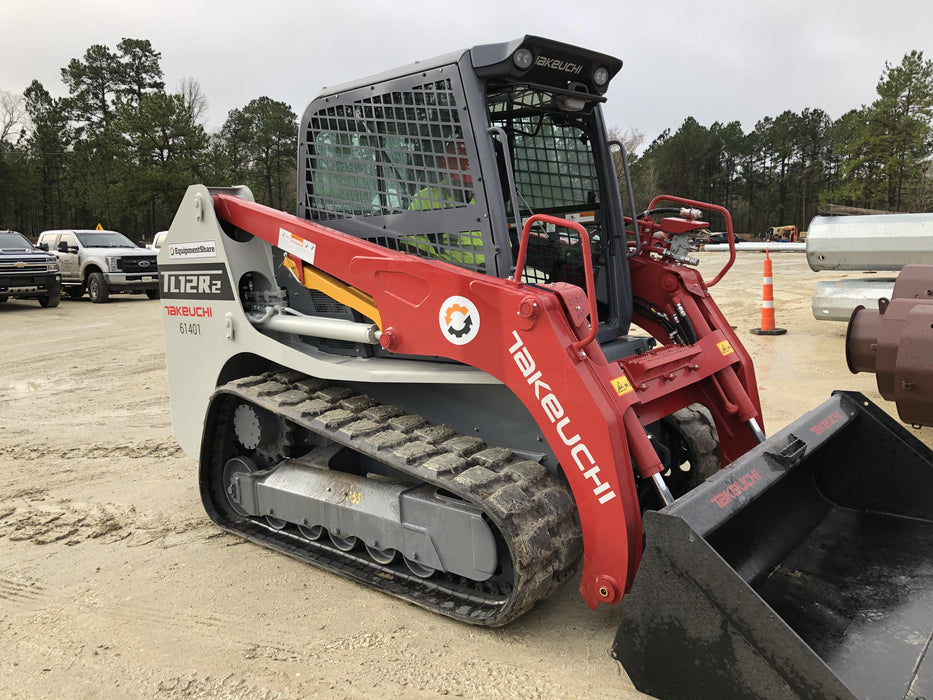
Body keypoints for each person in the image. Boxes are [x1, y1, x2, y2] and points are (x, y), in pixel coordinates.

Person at [405, 141, 485, 267]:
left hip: (492, 274)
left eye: (471, 182)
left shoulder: (484, 201)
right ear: (445, 172)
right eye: (460, 181)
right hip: (449, 274)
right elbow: (413, 249)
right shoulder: (424, 200)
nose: (467, 186)